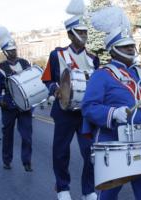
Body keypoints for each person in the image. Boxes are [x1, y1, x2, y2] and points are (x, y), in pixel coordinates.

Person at [82, 6, 141, 200]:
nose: (131, 49)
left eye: (131, 45)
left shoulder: (138, 72)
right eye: (125, 46)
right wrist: (113, 113)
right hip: (114, 142)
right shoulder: (102, 75)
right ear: (113, 50)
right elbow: (89, 107)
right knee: (110, 192)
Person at [41, 0, 99, 199]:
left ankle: (89, 190)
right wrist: (55, 88)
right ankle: (63, 187)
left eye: (85, 33)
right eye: (80, 32)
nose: (83, 36)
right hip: (64, 111)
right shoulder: (57, 54)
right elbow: (47, 78)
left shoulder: (93, 58)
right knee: (61, 152)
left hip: (86, 114)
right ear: (70, 34)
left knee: (90, 152)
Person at [0, 26, 33, 171]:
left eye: (15, 50)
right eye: (10, 51)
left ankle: (26, 161)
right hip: (8, 105)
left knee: (27, 136)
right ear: (5, 52)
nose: (13, 53)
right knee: (8, 136)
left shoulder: (25, 64)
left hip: (25, 105)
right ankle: (7, 160)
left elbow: (32, 81)